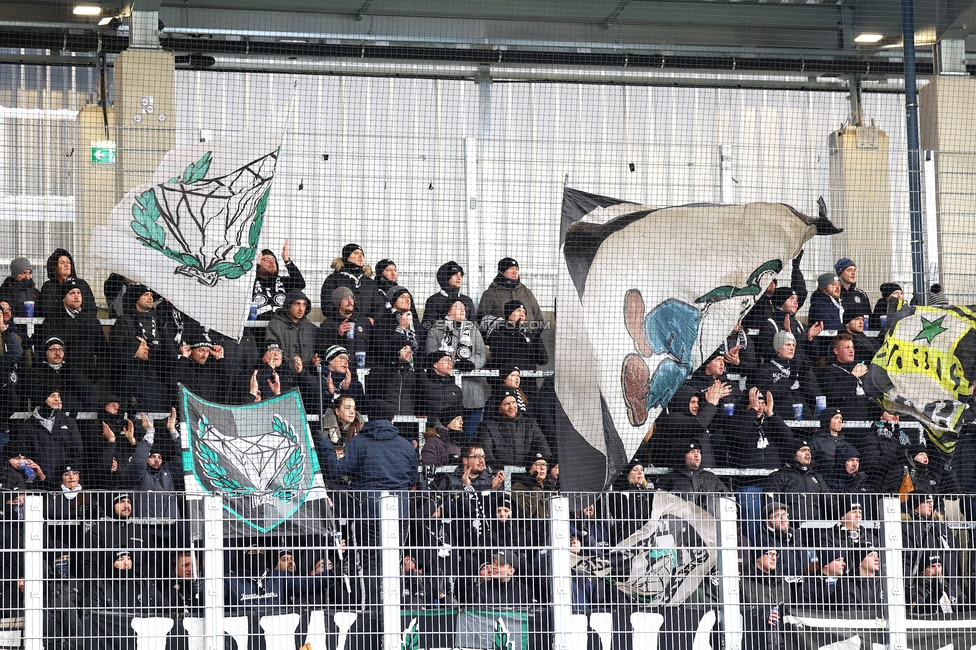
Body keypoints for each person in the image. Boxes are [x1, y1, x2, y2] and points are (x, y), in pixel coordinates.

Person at [426, 299, 489, 436]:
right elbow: (432, 355)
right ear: (448, 310)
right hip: (446, 392)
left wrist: (471, 363)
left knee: (470, 436)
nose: (462, 309)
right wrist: (455, 364)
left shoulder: (472, 328)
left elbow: (481, 353)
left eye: (464, 307)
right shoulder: (437, 329)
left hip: (473, 393)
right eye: (457, 306)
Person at [34, 284, 109, 387]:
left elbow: (103, 349)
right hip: (61, 378)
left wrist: (99, 372)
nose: (76, 296)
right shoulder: (52, 319)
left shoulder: (91, 320)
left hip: (87, 377)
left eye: (79, 293)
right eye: (72, 293)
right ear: (63, 298)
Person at [108, 285, 169, 412]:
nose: (150, 298)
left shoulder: (160, 321)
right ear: (136, 298)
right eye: (145, 294)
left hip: (154, 375)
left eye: (151, 295)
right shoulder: (124, 320)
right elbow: (117, 352)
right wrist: (135, 344)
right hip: (129, 377)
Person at [7, 390, 83, 491]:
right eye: (52, 396)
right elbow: (24, 456)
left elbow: (77, 452)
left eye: (58, 396)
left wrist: (69, 473)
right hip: (39, 484)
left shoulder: (69, 422)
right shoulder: (28, 425)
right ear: (43, 399)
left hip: (64, 483)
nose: (57, 399)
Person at [370, 285, 419, 415]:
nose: (407, 300)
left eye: (409, 297)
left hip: (413, 377)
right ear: (393, 301)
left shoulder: (416, 323)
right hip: (389, 377)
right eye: (402, 297)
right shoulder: (383, 322)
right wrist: (400, 329)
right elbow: (383, 349)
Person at [754, 331, 823, 421]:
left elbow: (814, 395)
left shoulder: (800, 367)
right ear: (778, 348)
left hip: (805, 421)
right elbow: (768, 394)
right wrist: (792, 377)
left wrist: (803, 377)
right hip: (779, 421)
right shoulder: (766, 369)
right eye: (787, 345)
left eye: (793, 345)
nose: (791, 348)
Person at [476, 389, 552, 469]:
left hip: (527, 474)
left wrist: (540, 461)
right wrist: (495, 466)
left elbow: (544, 448)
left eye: (513, 402)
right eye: (507, 404)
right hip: (500, 474)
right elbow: (486, 453)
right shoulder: (487, 426)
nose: (511, 407)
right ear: (499, 407)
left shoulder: (530, 423)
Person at [763, 439, 830, 524]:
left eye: (809, 450)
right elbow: (770, 502)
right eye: (802, 450)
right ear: (793, 454)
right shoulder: (779, 476)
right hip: (788, 528)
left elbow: (829, 501)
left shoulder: (816, 477)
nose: (807, 453)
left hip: (814, 530)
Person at [820, 334, 884, 422]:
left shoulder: (860, 368)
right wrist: (853, 377)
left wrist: (882, 412)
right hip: (845, 422)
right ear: (836, 351)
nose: (851, 350)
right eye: (847, 348)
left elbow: (871, 396)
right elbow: (834, 394)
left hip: (867, 422)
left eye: (852, 347)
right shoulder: (829, 371)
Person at [728, 387, 793, 471]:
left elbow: (788, 438)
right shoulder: (736, 421)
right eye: (755, 403)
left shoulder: (770, 422)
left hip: (773, 478)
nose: (759, 407)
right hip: (747, 478)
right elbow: (739, 436)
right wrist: (753, 411)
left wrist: (771, 414)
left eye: (762, 403)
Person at [656, 440, 728, 514]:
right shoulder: (669, 479)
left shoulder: (711, 478)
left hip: (708, 523)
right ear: (683, 455)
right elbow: (656, 504)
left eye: (699, 452)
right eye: (692, 452)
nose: (696, 455)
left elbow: (728, 498)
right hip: (679, 524)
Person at [757, 286, 823, 367]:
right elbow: (765, 352)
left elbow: (814, 356)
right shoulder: (770, 324)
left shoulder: (800, 325)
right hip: (780, 372)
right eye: (791, 299)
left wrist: (810, 339)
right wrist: (786, 336)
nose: (796, 303)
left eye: (796, 299)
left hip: (803, 372)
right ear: (781, 301)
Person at [319, 243, 384, 322]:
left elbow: (379, 305)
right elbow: (326, 304)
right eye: (356, 253)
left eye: (362, 254)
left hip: (365, 329)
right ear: (347, 257)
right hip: (340, 326)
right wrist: (341, 317)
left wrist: (372, 319)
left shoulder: (369, 282)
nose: (361, 256)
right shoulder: (333, 279)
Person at [740, 546, 786, 650]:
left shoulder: (783, 583)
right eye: (769, 553)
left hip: (782, 643)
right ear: (757, 557)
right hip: (755, 643)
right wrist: (764, 616)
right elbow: (737, 613)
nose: (774, 558)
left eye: (776, 554)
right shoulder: (742, 581)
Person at [485, 299, 549, 374]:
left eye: (524, 312)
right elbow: (499, 358)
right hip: (507, 382)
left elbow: (543, 361)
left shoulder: (528, 335)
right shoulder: (497, 333)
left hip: (529, 382)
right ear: (509, 314)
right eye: (518, 310)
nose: (522, 314)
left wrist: (537, 340)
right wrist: (515, 335)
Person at [477, 257, 544, 329]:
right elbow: (481, 320)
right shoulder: (490, 294)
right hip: (501, 339)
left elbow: (539, 318)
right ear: (502, 271)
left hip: (528, 338)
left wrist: (534, 337)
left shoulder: (526, 292)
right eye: (511, 269)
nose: (515, 272)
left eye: (516, 269)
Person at [317, 285, 373, 363]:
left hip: (361, 370)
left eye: (351, 298)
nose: (350, 302)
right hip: (338, 372)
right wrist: (338, 335)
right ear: (338, 302)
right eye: (345, 298)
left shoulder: (363, 321)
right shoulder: (327, 324)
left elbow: (373, 346)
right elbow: (322, 351)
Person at [251, 240, 306, 320]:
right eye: (266, 260)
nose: (272, 263)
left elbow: (300, 284)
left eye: (273, 260)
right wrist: (256, 266)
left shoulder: (282, 281)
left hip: (281, 327)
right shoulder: (252, 282)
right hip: (256, 328)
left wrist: (287, 260)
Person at [265, 289, 318, 371]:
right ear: (288, 305)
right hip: (282, 375)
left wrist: (316, 361)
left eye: (304, 305)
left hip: (307, 376)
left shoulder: (312, 329)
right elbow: (272, 352)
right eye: (297, 304)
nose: (301, 309)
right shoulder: (275, 325)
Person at [37, 248, 97, 318]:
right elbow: (47, 310)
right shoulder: (48, 286)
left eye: (68, 262)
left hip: (82, 326)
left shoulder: (82, 284)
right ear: (54, 267)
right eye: (62, 263)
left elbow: (91, 309)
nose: (66, 265)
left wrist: (78, 321)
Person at [422, 261, 476, 329]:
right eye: (455, 275)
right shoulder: (433, 300)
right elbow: (427, 327)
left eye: (461, 275)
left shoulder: (467, 300)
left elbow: (474, 326)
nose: (459, 278)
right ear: (445, 277)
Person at [840, 300, 879, 365]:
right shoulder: (844, 341)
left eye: (862, 319)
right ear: (847, 323)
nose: (861, 322)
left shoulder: (868, 339)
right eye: (857, 319)